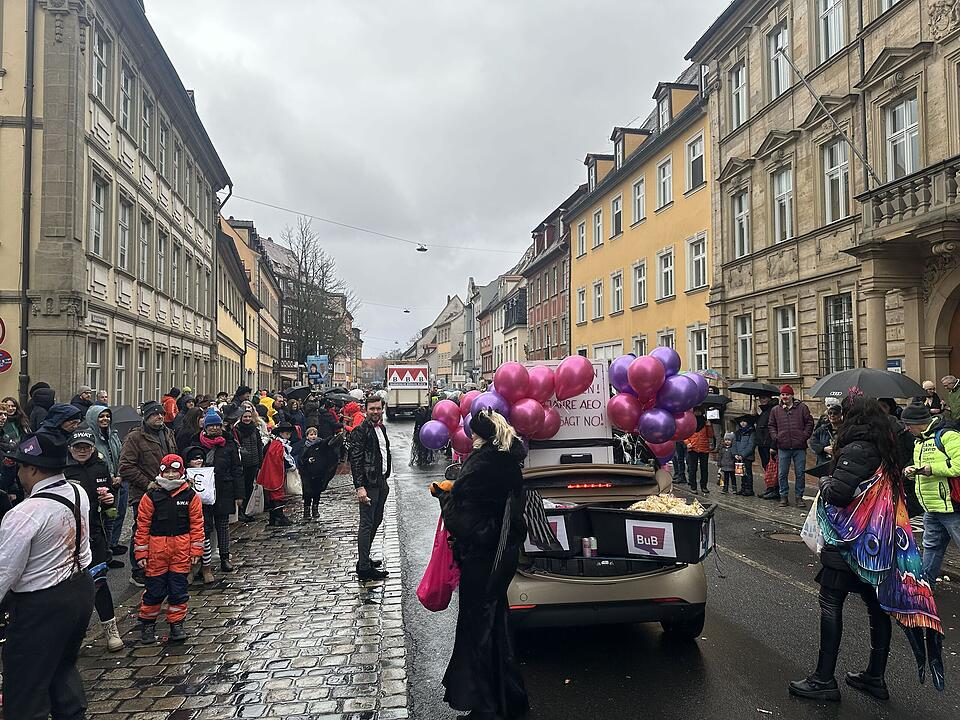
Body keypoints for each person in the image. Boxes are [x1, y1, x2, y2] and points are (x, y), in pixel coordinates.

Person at [789, 396, 900, 702]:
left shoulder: (856, 448)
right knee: (876, 608)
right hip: (877, 542)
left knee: (830, 604)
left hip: (849, 541)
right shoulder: (887, 446)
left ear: (853, 418)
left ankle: (823, 679)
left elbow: (839, 494)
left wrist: (825, 480)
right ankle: (875, 677)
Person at [0, 432, 96, 720]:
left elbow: (5, 571)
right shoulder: (78, 492)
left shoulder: (26, 513)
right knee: (62, 667)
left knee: (26, 688)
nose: (18, 473)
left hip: (41, 603)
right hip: (79, 589)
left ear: (33, 469)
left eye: (20, 467)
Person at [441, 410, 529, 719]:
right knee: (497, 625)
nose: (471, 440)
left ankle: (487, 704)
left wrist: (446, 500)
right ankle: (508, 699)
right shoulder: (510, 463)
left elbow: (459, 516)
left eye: (474, 435)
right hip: (502, 556)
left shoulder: (480, 465)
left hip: (482, 557)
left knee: (477, 628)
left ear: (481, 436)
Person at [63, 428, 124, 652]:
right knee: (70, 587)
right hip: (68, 535)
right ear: (70, 448)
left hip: (94, 533)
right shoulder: (62, 469)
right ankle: (72, 635)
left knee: (99, 581)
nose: (82, 451)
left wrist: (108, 499)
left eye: (86, 447)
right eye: (78, 447)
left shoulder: (99, 467)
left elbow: (108, 504)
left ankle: (110, 630)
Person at [134, 453, 204, 644]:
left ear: (181, 472)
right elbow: (142, 526)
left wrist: (196, 550)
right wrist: (141, 552)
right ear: (161, 472)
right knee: (154, 590)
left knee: (178, 590)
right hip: (156, 550)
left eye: (175, 471)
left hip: (181, 549)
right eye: (168, 471)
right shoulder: (151, 496)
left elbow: (197, 524)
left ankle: (176, 624)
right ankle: (148, 624)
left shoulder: (190, 495)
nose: (171, 475)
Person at [119, 400, 177, 586]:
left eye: (161, 414)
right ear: (146, 417)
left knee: (162, 530)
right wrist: (148, 484)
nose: (159, 417)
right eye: (154, 414)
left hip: (168, 491)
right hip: (144, 493)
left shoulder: (168, 433)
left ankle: (158, 565)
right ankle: (137, 570)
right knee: (141, 531)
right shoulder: (135, 437)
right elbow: (126, 467)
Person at [901, 403, 960, 585]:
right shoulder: (919, 441)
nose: (907, 429)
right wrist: (911, 471)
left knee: (933, 546)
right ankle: (925, 586)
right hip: (931, 506)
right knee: (931, 547)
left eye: (908, 424)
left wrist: (930, 469)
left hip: (952, 506)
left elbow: (958, 466)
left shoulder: (948, 436)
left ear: (919, 422)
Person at [350, 395, 391, 581]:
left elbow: (383, 453)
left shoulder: (381, 427)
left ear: (382, 409)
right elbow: (356, 461)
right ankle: (364, 568)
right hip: (369, 482)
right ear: (366, 410)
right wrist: (360, 487)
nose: (375, 412)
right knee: (366, 523)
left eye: (378, 408)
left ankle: (364, 558)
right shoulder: (360, 431)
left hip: (381, 480)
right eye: (371, 409)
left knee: (377, 520)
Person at [197, 408, 244, 571]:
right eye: (211, 426)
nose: (215, 428)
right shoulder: (196, 443)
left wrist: (239, 494)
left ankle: (225, 557)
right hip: (203, 491)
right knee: (205, 527)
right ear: (205, 428)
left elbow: (237, 469)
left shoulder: (229, 443)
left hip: (224, 488)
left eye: (217, 425)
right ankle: (204, 562)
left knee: (223, 525)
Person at [86, 404, 125, 562]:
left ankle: (109, 550)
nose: (105, 419)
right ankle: (101, 555)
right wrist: (109, 477)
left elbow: (121, 456)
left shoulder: (113, 435)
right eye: (101, 416)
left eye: (107, 416)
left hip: (117, 483)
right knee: (101, 521)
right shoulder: (89, 437)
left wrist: (120, 475)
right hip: (100, 484)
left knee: (113, 517)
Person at [768, 384, 814, 509]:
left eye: (787, 394)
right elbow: (771, 425)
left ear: (792, 395)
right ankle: (784, 496)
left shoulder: (802, 408)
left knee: (800, 473)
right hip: (783, 446)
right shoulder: (776, 410)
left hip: (799, 447)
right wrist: (775, 437)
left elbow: (809, 423)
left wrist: (804, 436)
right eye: (783, 394)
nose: (785, 397)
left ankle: (799, 497)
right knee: (782, 473)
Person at [257, 422, 295, 526]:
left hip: (273, 471)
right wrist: (292, 467)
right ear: (282, 433)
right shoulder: (278, 445)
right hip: (275, 472)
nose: (288, 436)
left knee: (274, 494)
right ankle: (279, 516)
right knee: (276, 494)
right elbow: (283, 459)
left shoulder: (276, 444)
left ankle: (274, 518)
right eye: (287, 434)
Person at [235, 407, 266, 522]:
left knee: (250, 487)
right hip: (243, 462)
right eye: (245, 417)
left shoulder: (254, 429)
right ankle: (241, 511)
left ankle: (247, 509)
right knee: (243, 487)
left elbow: (259, 445)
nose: (247, 419)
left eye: (249, 417)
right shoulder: (237, 430)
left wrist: (260, 461)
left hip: (254, 462)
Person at [684, 408, 714, 495]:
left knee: (704, 469)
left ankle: (704, 486)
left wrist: (708, 426)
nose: (698, 413)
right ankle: (693, 486)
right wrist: (687, 443)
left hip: (704, 448)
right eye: (696, 411)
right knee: (693, 468)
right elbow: (685, 434)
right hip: (693, 448)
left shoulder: (705, 422)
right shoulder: (690, 422)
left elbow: (710, 435)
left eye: (699, 411)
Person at [810, 403, 843, 467]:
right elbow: (812, 442)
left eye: (835, 413)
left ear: (840, 415)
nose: (832, 415)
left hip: (840, 463)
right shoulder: (822, 429)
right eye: (830, 413)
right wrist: (824, 449)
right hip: (824, 462)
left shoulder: (846, 429)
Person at [731, 415, 756, 496]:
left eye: (744, 421)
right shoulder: (737, 433)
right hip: (739, 457)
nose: (742, 423)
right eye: (741, 422)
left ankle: (749, 489)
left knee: (748, 473)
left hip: (747, 457)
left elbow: (751, 445)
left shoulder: (751, 432)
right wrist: (735, 454)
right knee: (741, 473)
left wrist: (742, 455)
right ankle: (743, 488)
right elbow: (734, 444)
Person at [410, 403, 436, 468]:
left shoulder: (421, 414)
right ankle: (423, 459)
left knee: (422, 447)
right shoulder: (426, 414)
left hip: (423, 432)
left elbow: (416, 425)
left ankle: (422, 459)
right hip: (424, 433)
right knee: (422, 447)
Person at [754, 395, 776, 470]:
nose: (761, 400)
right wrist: (755, 415)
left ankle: (773, 482)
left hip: (767, 443)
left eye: (764, 397)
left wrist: (773, 445)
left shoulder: (772, 410)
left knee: (771, 467)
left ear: (769, 398)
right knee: (766, 466)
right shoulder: (765, 410)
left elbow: (774, 428)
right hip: (762, 442)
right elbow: (761, 423)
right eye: (760, 398)